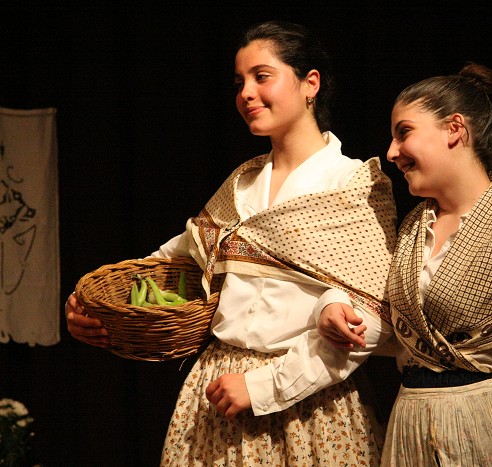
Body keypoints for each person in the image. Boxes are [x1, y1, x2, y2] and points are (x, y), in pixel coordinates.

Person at [65, 20, 397, 466]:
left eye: (262, 76)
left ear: (310, 83)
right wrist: (96, 308)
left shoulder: (353, 184)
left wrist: (265, 387)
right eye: (240, 82)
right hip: (215, 395)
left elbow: (370, 317)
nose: (246, 93)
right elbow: (171, 262)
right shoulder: (242, 184)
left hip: (308, 406)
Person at [318, 63, 492, 466]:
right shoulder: (413, 226)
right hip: (409, 425)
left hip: (483, 427)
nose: (391, 152)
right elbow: (387, 316)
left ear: (455, 130)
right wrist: (333, 304)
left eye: (404, 132)